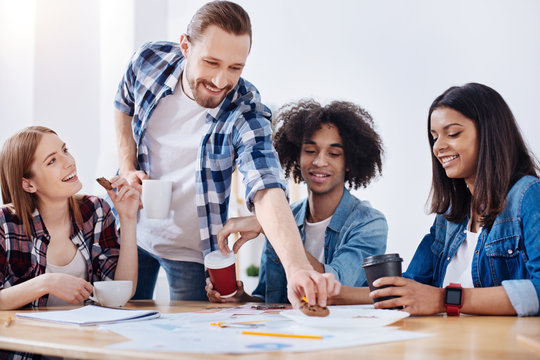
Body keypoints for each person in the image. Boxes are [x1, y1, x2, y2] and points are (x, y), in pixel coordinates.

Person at [114, 1, 338, 305]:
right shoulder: (149, 61)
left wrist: (297, 269)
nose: (221, 81)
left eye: (235, 67)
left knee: (191, 347)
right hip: (131, 234)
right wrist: (127, 167)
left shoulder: (244, 108)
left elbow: (266, 184)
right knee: (119, 333)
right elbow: (123, 106)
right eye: (211, 63)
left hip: (192, 253)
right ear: (185, 46)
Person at [333, 83, 540, 316]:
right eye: (434, 137)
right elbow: (409, 286)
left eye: (452, 134)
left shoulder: (528, 195)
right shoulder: (451, 215)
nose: (438, 147)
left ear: (490, 133)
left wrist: (445, 299)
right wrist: (332, 294)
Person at [207, 100, 388, 303]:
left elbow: (334, 286)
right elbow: (270, 300)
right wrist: (241, 298)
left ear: (349, 162)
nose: (320, 162)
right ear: (296, 157)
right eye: (310, 151)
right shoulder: (286, 215)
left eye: (334, 153)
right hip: (291, 334)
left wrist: (271, 229)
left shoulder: (370, 223)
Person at [0, 126, 139, 310]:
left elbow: (121, 292)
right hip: (29, 335)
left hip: (84, 334)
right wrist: (47, 283)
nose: (69, 162)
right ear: (28, 184)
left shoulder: (95, 211)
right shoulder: (6, 225)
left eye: (65, 150)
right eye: (52, 161)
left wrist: (128, 218)